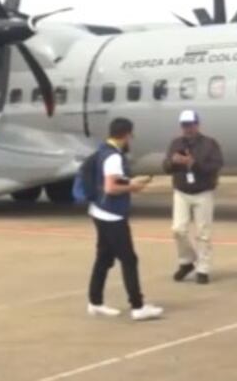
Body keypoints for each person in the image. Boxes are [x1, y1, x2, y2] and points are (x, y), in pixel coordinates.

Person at [85, 117, 163, 321]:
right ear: (127, 134)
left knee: (104, 258)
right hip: (112, 215)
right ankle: (137, 306)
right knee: (129, 259)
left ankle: (95, 302)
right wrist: (133, 187)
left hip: (99, 211)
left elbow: (109, 181)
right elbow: (111, 187)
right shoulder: (114, 157)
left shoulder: (103, 152)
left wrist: (129, 181)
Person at [163, 110, 224, 285]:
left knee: (203, 233)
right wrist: (173, 162)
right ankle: (187, 261)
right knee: (178, 229)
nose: (187, 128)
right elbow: (166, 167)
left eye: (190, 125)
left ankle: (203, 268)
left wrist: (193, 164)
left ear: (197, 125)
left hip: (203, 192)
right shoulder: (175, 143)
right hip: (182, 191)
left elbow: (216, 166)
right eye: (184, 125)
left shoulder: (210, 144)